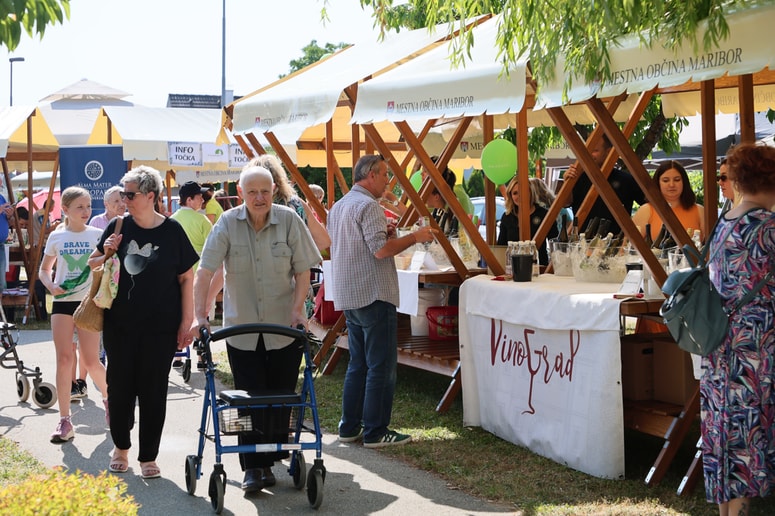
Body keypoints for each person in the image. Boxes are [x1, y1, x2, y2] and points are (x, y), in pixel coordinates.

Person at [191, 165, 321, 493]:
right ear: (241, 192)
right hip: (241, 328)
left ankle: (274, 456)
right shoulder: (227, 222)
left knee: (281, 396)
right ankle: (252, 468)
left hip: (284, 326)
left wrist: (297, 310)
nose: (259, 198)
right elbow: (205, 272)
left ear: (274, 191)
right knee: (245, 398)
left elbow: (304, 269)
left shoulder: (289, 219)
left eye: (265, 191)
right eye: (252, 192)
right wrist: (199, 315)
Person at [89, 166, 198, 479]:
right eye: (123, 193)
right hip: (119, 324)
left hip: (161, 326)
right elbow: (93, 263)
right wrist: (107, 251)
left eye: (131, 194)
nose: (125, 199)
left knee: (153, 391)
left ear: (151, 196)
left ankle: (148, 456)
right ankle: (121, 447)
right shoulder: (118, 223)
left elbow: (186, 277)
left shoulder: (173, 230)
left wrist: (186, 321)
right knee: (120, 388)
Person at [327, 154, 436, 448]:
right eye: (385, 175)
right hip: (374, 293)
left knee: (358, 364)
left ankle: (350, 426)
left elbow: (362, 244)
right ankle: (376, 430)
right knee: (381, 366)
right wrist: (414, 237)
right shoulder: (369, 206)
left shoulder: (339, 205)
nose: (388, 181)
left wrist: (389, 234)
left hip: (350, 294)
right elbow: (381, 251)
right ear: (371, 175)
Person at [702, 143, 775, 515]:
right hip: (757, 346)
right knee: (748, 430)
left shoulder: (724, 222)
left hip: (721, 343)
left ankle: (729, 511)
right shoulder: (767, 226)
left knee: (724, 430)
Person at [38, 186, 108, 443]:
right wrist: (50, 285)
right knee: (64, 360)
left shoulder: (99, 234)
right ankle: (65, 420)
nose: (86, 211)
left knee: (90, 361)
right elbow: (44, 270)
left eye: (89, 206)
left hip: (89, 304)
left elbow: (110, 268)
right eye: (80, 207)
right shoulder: (56, 237)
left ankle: (111, 402)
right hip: (62, 304)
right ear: (65, 210)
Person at [563, 134, 646, 234]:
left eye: (594, 150)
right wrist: (567, 183)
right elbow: (565, 203)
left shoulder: (626, 179)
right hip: (582, 243)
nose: (589, 154)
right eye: (587, 150)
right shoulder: (578, 177)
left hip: (616, 245)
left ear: (608, 152)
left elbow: (647, 204)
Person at [250, 154, 331, 251]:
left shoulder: (252, 207)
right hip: (296, 265)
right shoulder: (297, 203)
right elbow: (324, 241)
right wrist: (298, 256)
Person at [631, 161, 705, 241]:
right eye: (665, 180)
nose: (672, 185)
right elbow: (628, 246)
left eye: (677, 180)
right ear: (658, 183)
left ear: (684, 182)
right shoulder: (646, 210)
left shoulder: (699, 210)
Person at [497, 176, 559, 265]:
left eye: (523, 192)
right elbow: (501, 246)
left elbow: (555, 244)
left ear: (531, 192)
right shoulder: (507, 217)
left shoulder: (544, 214)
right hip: (513, 269)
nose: (519, 196)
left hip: (539, 269)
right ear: (511, 195)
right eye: (515, 193)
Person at [170, 181, 212, 270]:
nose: (203, 200)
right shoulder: (202, 220)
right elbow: (214, 246)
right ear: (189, 200)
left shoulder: (172, 219)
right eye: (200, 197)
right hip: (199, 271)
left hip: (179, 271)